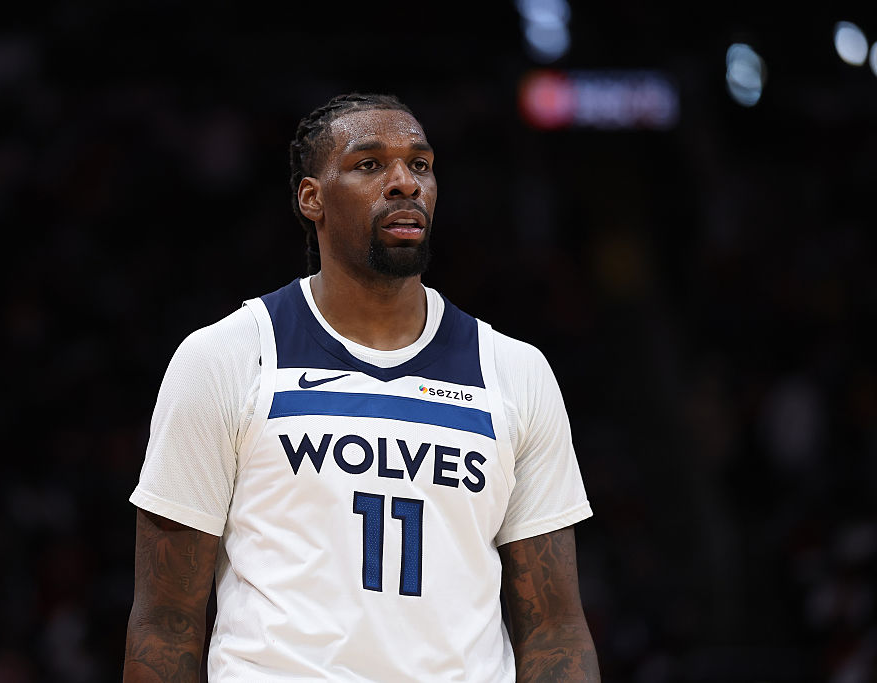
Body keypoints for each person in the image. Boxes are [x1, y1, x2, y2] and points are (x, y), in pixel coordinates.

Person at [124, 92, 599, 682]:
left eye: (420, 165)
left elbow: (555, 628)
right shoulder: (225, 358)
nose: (405, 183)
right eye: (370, 165)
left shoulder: (515, 372)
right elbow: (165, 621)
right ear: (311, 198)